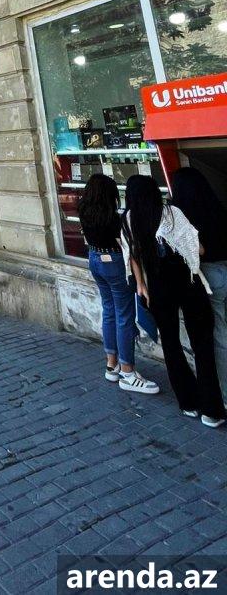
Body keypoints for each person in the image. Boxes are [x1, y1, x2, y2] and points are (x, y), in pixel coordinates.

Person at [123, 174, 225, 428]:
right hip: (188, 283)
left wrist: (141, 285)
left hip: (158, 289)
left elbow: (132, 255)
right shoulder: (172, 213)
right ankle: (212, 410)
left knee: (171, 345)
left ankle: (188, 402)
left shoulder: (129, 219)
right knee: (202, 345)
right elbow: (197, 249)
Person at [78, 173, 158, 394]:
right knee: (124, 316)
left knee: (109, 311)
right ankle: (127, 371)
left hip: (94, 259)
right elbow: (129, 251)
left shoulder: (84, 212)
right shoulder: (114, 219)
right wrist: (140, 281)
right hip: (114, 263)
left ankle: (111, 364)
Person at [170, 167, 227, 401]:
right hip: (225, 267)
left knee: (219, 334)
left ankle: (224, 394)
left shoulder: (183, 217)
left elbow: (196, 251)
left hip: (209, 275)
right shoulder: (216, 206)